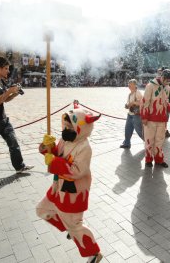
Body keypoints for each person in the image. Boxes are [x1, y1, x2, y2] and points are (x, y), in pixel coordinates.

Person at [37, 108, 102, 263]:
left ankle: (94, 253)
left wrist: (54, 161)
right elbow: (57, 153)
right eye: (65, 126)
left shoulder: (85, 147)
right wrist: (48, 147)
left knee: (75, 226)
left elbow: (77, 171)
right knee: (42, 210)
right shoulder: (66, 139)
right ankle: (69, 227)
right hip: (58, 186)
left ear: (81, 128)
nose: (66, 130)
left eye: (70, 127)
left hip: (73, 192)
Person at [141, 69, 170, 168]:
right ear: (162, 77)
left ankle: (159, 159)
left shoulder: (167, 87)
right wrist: (144, 117)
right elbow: (145, 102)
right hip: (150, 119)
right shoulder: (150, 86)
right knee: (149, 140)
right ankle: (148, 160)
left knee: (160, 141)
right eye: (167, 80)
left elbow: (165, 102)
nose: (168, 83)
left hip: (162, 119)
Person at [120, 79, 143, 148]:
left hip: (136, 115)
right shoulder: (130, 94)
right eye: (128, 84)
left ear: (135, 85)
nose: (129, 85)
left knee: (139, 131)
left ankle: (149, 142)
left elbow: (142, 103)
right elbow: (128, 103)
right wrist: (127, 105)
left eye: (130, 84)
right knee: (127, 129)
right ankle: (127, 143)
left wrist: (132, 103)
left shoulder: (138, 92)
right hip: (130, 114)